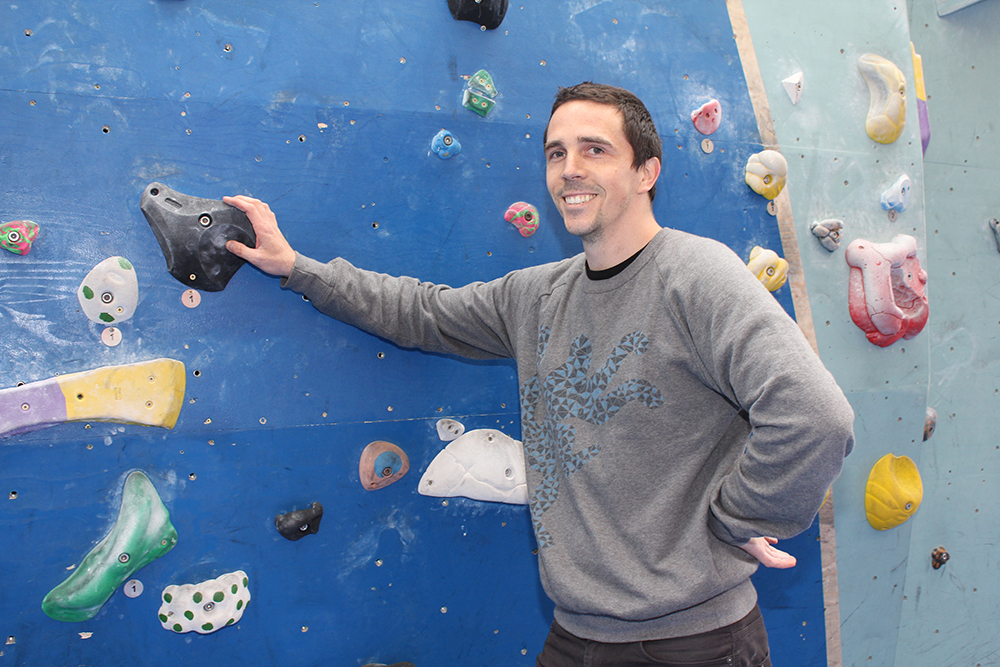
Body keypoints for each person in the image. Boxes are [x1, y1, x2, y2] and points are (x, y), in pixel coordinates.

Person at [225, 82, 854, 667]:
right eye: (557, 153)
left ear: (646, 172)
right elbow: (421, 311)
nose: (570, 168)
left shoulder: (697, 275)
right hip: (578, 635)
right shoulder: (537, 296)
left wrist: (736, 519)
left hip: (695, 642)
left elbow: (815, 418)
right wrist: (296, 267)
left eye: (595, 149)